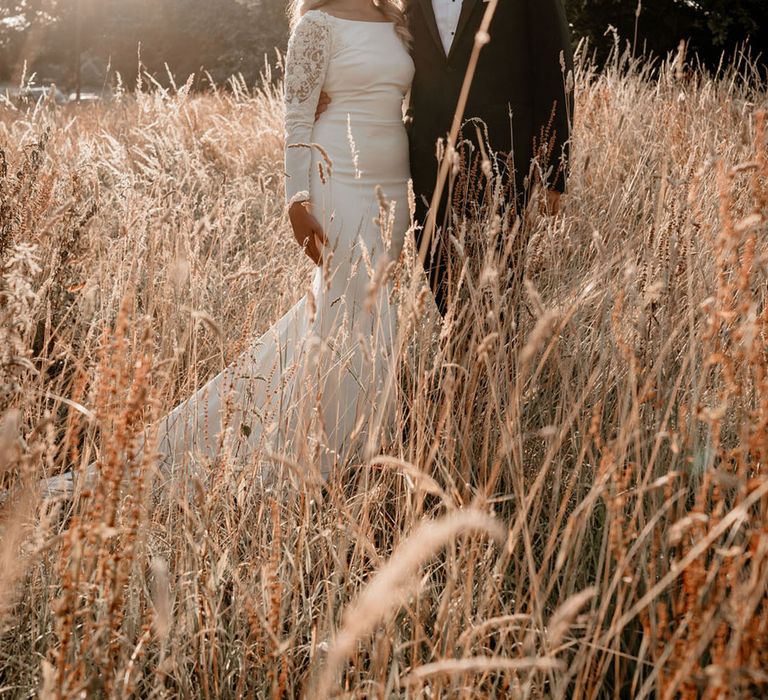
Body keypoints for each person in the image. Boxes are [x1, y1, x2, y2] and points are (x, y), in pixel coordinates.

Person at [37, 0, 415, 499]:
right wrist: (296, 201)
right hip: (337, 177)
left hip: (393, 182)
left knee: (375, 311)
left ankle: (363, 442)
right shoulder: (316, 25)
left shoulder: (395, 20)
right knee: (344, 309)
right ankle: (326, 456)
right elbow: (297, 120)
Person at [318, 0, 574, 317]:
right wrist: (325, 87)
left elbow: (556, 70)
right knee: (439, 272)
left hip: (505, 163)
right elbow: (379, 50)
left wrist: (553, 175)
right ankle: (458, 342)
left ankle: (495, 359)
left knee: (501, 287)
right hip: (428, 163)